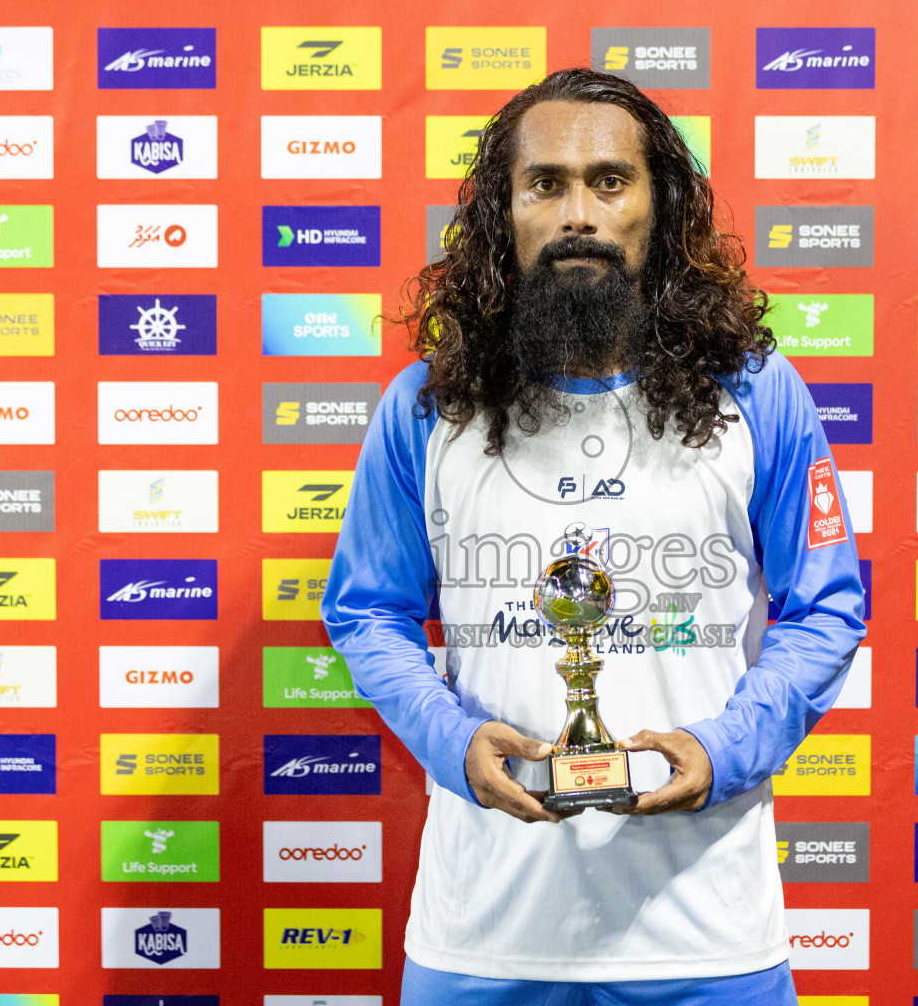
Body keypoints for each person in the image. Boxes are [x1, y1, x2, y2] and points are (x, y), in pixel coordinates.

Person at [321, 67, 866, 1006]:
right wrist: (450, 741)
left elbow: (827, 608)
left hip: (707, 940)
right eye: (547, 183)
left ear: (662, 208)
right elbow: (368, 611)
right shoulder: (426, 406)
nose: (580, 212)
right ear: (504, 213)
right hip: (481, 936)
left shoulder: (758, 390)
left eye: (610, 181)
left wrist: (727, 745)